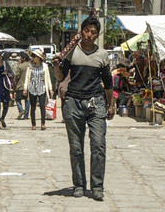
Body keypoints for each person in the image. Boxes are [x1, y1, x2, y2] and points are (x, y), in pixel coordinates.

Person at [56, 16, 114, 200]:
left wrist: (111, 105)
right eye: (86, 31)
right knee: (76, 147)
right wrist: (56, 64)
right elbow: (59, 76)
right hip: (73, 102)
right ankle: (79, 185)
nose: (89, 35)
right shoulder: (71, 52)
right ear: (81, 32)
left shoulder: (102, 55)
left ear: (97, 35)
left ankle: (97, 187)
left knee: (98, 145)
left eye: (93, 32)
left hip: (96, 102)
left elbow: (108, 82)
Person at [23, 51, 52, 129]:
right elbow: (27, 78)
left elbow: (48, 78)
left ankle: (43, 123)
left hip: (42, 88)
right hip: (32, 88)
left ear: (38, 58)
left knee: (42, 106)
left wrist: (50, 88)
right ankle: (33, 124)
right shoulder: (30, 66)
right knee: (33, 107)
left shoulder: (45, 66)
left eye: (34, 57)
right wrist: (25, 88)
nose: (33, 58)